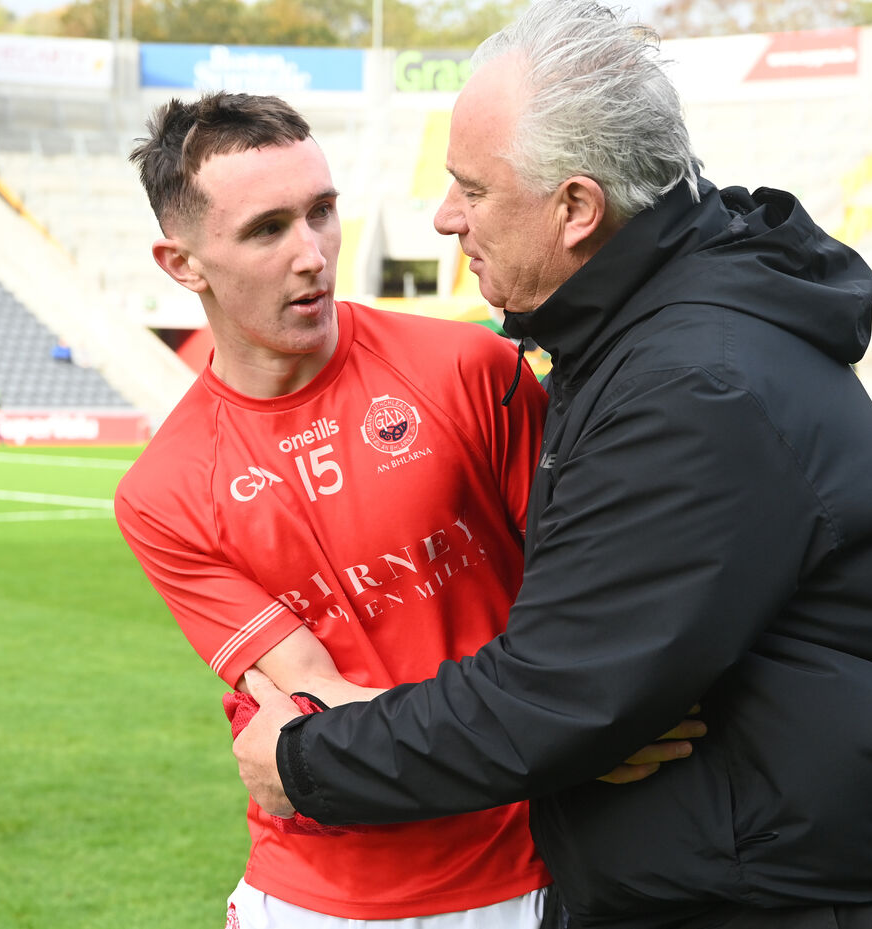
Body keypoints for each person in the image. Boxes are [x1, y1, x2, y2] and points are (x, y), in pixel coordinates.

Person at [233, 4, 872, 929]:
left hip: (775, 895)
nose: (444, 219)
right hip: (742, 867)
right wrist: (588, 721)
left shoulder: (692, 380)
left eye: (471, 190)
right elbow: (587, 690)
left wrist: (311, 758)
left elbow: (559, 691)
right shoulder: (653, 331)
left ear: (576, 209)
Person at [114, 91, 693, 929]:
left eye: (322, 212)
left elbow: (588, 600)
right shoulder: (164, 493)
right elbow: (308, 697)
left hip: (529, 873)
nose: (312, 254)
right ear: (182, 263)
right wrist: (559, 736)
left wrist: (579, 723)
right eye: (267, 229)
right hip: (315, 892)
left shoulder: (468, 366)